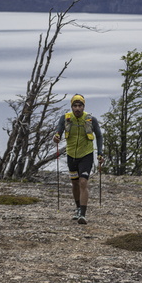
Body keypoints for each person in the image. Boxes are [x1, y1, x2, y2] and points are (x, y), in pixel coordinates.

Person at [53, 94, 103, 224]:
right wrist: (56, 137)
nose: (77, 108)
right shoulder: (65, 118)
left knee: (83, 182)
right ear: (71, 107)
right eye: (75, 106)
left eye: (80, 106)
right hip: (71, 156)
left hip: (86, 155)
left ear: (83, 106)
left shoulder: (91, 119)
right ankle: (78, 208)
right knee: (74, 183)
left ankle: (83, 214)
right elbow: (58, 131)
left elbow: (99, 136)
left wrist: (100, 153)